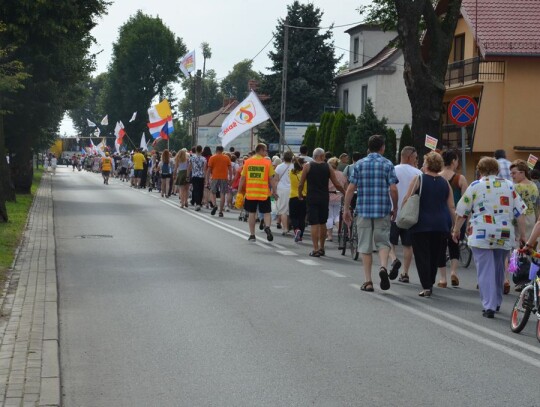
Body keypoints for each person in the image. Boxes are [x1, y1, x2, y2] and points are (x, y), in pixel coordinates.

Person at [453, 157, 527, 318]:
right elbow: (520, 212)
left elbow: (462, 212)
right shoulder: (508, 186)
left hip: (481, 233)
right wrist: (523, 235)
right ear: (498, 170)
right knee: (500, 268)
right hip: (504, 233)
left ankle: (489, 305)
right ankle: (497, 301)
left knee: (485, 269)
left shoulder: (475, 186)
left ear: (479, 170)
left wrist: (456, 230)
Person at [344, 135, 398, 292]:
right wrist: (394, 207)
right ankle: (382, 267)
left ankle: (368, 282)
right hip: (382, 210)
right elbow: (393, 189)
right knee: (383, 242)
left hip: (364, 210)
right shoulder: (388, 164)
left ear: (369, 147)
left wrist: (346, 208)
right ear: (382, 148)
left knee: (365, 246)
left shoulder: (359, 164)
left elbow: (350, 188)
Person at [402, 152, 454, 297]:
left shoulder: (419, 179)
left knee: (422, 256)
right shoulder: (445, 183)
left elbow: (408, 198)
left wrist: (402, 210)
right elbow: (451, 206)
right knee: (434, 255)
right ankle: (430, 281)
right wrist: (455, 227)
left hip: (421, 224)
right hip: (441, 225)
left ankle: (426, 286)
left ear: (427, 164)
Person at [299, 148, 346, 257]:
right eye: (324, 155)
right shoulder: (328, 166)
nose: (325, 157)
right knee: (322, 222)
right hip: (324, 197)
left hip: (312, 198)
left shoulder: (307, 166)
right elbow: (337, 183)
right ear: (320, 156)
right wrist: (344, 192)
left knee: (314, 223)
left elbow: (301, 183)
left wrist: (300, 194)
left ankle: (315, 249)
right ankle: (322, 247)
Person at [388, 146, 422, 283]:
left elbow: (389, 190)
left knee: (389, 242)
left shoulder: (393, 170)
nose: (416, 159)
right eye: (415, 157)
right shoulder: (418, 173)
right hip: (410, 214)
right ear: (409, 157)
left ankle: (394, 259)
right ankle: (405, 273)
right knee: (408, 245)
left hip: (393, 212)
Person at [436, 149, 468, 288]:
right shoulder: (460, 178)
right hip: (457, 217)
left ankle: (442, 278)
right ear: (454, 161)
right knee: (454, 245)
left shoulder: (436, 176)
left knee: (440, 248)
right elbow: (466, 201)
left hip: (440, 216)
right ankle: (453, 271)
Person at [238, 143, 278, 242]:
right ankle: (267, 226)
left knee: (252, 213)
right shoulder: (267, 163)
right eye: (265, 150)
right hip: (264, 193)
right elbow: (271, 179)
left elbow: (242, 178)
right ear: (260, 150)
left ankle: (252, 235)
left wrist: (239, 191)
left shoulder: (247, 162)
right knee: (267, 212)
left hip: (251, 193)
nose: (266, 152)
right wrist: (274, 191)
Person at [510, 159, 539, 290]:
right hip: (532, 217)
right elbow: (537, 205)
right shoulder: (534, 185)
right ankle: (530, 276)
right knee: (530, 247)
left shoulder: (516, 187)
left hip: (519, 218)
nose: (512, 176)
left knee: (519, 247)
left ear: (522, 172)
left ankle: (521, 277)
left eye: (514, 173)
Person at [326, 157, 348, 242]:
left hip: (329, 196)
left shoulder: (327, 174)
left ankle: (330, 235)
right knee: (338, 216)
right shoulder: (342, 174)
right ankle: (341, 233)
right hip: (340, 197)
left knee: (329, 216)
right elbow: (346, 186)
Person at [206, 146, 232, 217]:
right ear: (222, 150)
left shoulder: (212, 158)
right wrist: (230, 179)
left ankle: (214, 205)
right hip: (224, 177)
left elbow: (209, 170)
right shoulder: (227, 158)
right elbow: (230, 169)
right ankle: (220, 211)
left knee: (212, 192)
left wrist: (207, 179)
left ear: (216, 150)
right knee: (223, 194)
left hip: (215, 177)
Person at [274, 151, 294, 235]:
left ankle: (285, 228)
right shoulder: (295, 167)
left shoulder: (279, 167)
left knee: (283, 210)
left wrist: (274, 191)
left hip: (282, 189)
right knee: (290, 209)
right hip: (293, 189)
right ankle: (289, 226)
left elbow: (276, 180)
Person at [289, 157, 307, 243]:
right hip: (304, 197)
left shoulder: (291, 173)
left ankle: (296, 230)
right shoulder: (306, 174)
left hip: (293, 196)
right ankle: (301, 236)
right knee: (302, 217)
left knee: (293, 216)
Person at [189, 145, 207, 211]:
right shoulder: (204, 159)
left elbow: (190, 167)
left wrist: (188, 175)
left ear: (196, 150)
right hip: (201, 176)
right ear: (201, 150)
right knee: (200, 190)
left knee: (196, 189)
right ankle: (199, 203)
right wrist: (206, 178)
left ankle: (197, 204)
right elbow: (204, 169)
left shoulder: (192, 158)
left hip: (194, 175)